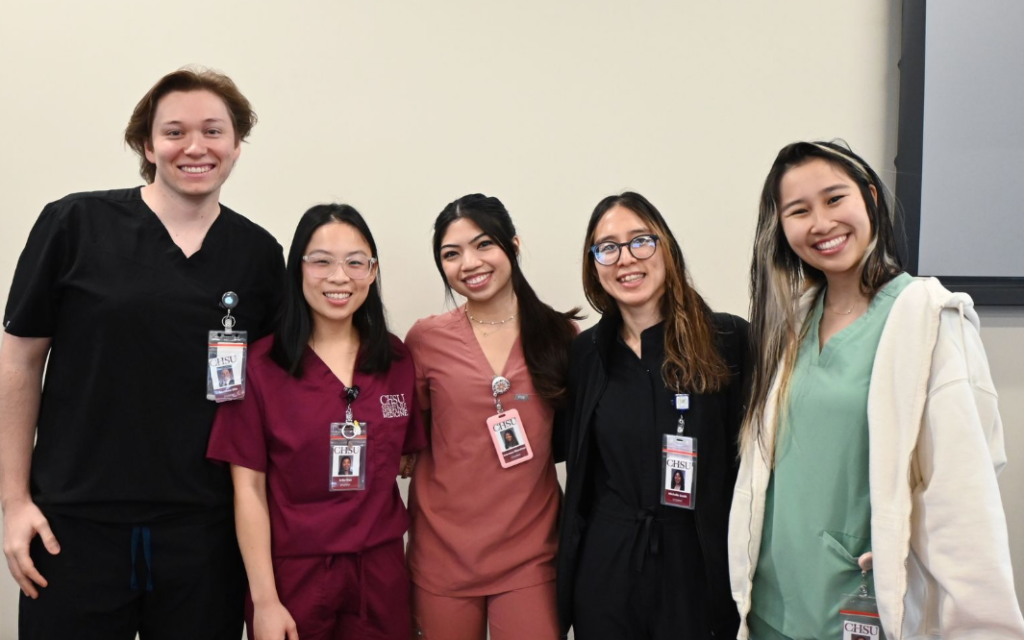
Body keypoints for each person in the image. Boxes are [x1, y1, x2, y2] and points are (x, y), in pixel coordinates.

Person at [0, 67, 283, 639]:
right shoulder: (74, 224)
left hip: (204, 533)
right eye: (175, 132)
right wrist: (14, 501)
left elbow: (274, 392)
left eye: (214, 131)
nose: (196, 147)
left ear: (236, 145)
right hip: (75, 524)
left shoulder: (258, 254)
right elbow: (18, 363)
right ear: (147, 145)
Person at [728, 141, 1024, 638]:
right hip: (768, 609)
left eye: (834, 199)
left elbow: (963, 494)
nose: (821, 223)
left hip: (853, 608)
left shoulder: (928, 319)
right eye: (799, 211)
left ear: (869, 197)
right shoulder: (792, 322)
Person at [207, 204, 426, 640]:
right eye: (322, 261)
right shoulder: (260, 368)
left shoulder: (397, 359)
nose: (339, 277)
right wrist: (265, 601)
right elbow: (248, 491)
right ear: (298, 270)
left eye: (355, 262)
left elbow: (409, 458)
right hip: (294, 576)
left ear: (372, 271)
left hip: (380, 573)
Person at [557, 192, 747, 640]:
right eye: (608, 247)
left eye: (640, 241)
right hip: (608, 562)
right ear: (594, 265)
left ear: (666, 248)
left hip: (696, 562)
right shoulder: (587, 353)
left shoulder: (728, 339)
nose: (626, 258)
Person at [405, 194, 580, 640]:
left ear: (513, 246)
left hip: (531, 554)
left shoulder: (560, 336)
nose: (469, 263)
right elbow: (412, 434)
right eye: (451, 254)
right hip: (443, 551)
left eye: (484, 244)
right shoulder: (425, 340)